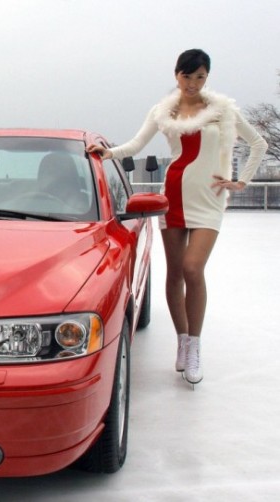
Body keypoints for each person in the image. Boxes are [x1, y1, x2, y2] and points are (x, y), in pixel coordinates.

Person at [87, 49, 267, 387]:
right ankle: (182, 341)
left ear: (207, 77)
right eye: (187, 76)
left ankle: (195, 345)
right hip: (174, 195)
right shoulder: (163, 110)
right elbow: (136, 144)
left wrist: (240, 181)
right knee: (174, 273)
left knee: (192, 268)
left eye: (200, 77)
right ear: (176, 75)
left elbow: (258, 143)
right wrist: (108, 152)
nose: (193, 83)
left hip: (209, 199)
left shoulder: (222, 110)